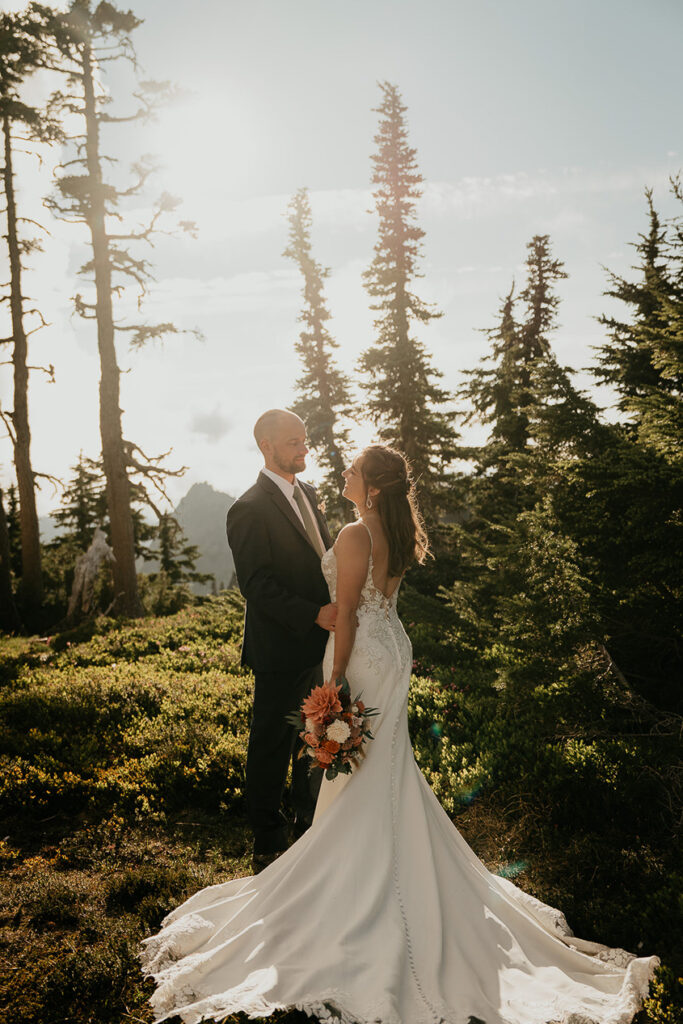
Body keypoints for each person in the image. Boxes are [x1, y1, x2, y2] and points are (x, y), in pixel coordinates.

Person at [141, 444, 659, 1024]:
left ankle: (362, 884)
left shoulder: (354, 535)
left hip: (361, 655)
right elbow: (378, 606)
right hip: (393, 652)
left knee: (363, 768)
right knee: (384, 767)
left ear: (374, 487)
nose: (343, 473)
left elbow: (351, 614)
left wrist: (332, 682)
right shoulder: (389, 532)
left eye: (353, 471)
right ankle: (386, 868)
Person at [225, 408, 336, 871]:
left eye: (304, 439)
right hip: (280, 648)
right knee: (271, 744)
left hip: (321, 645)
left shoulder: (309, 493)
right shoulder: (247, 508)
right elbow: (256, 585)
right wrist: (314, 613)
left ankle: (309, 824)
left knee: (315, 738)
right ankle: (268, 841)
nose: (303, 447)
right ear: (266, 446)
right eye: (293, 441)